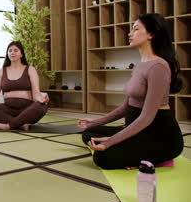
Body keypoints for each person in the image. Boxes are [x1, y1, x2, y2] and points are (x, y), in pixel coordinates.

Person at [78, 13, 184, 169]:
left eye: (135, 29)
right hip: (138, 129)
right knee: (89, 133)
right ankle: (137, 152)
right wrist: (93, 122)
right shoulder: (140, 64)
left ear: (151, 34)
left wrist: (111, 141)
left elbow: (147, 117)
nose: (129, 33)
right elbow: (125, 107)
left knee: (103, 157)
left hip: (160, 137)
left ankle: (160, 159)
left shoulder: (158, 67)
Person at [0, 41, 49, 131]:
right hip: (7, 110)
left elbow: (36, 94)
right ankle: (20, 124)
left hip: (27, 109)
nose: (12, 52)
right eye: (10, 51)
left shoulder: (30, 69)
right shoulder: (2, 71)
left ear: (21, 54)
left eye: (15, 50)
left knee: (41, 106)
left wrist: (41, 99)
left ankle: (8, 125)